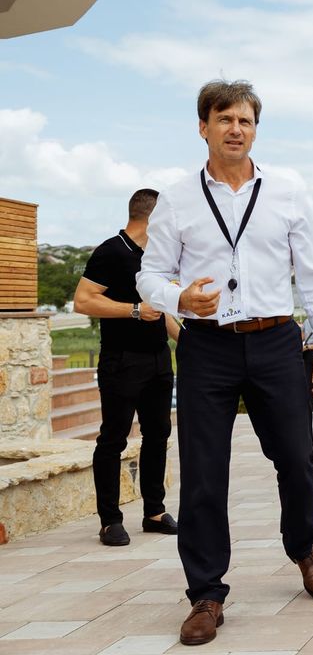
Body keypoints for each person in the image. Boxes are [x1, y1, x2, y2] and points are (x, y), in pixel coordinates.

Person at [137, 80, 313, 646]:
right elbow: (148, 276)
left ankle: (303, 547)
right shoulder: (177, 197)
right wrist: (179, 299)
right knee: (203, 472)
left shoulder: (289, 190)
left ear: (256, 129)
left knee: (297, 458)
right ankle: (206, 592)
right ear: (203, 127)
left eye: (245, 120)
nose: (235, 128)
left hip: (277, 341)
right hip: (207, 346)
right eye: (224, 118)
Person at [74, 189, 181, 547]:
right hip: (121, 360)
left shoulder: (155, 258)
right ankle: (109, 521)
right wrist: (133, 310)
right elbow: (83, 301)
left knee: (158, 434)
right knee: (113, 439)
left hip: (157, 359)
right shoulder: (111, 251)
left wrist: (186, 342)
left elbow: (160, 309)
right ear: (152, 218)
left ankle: (153, 511)